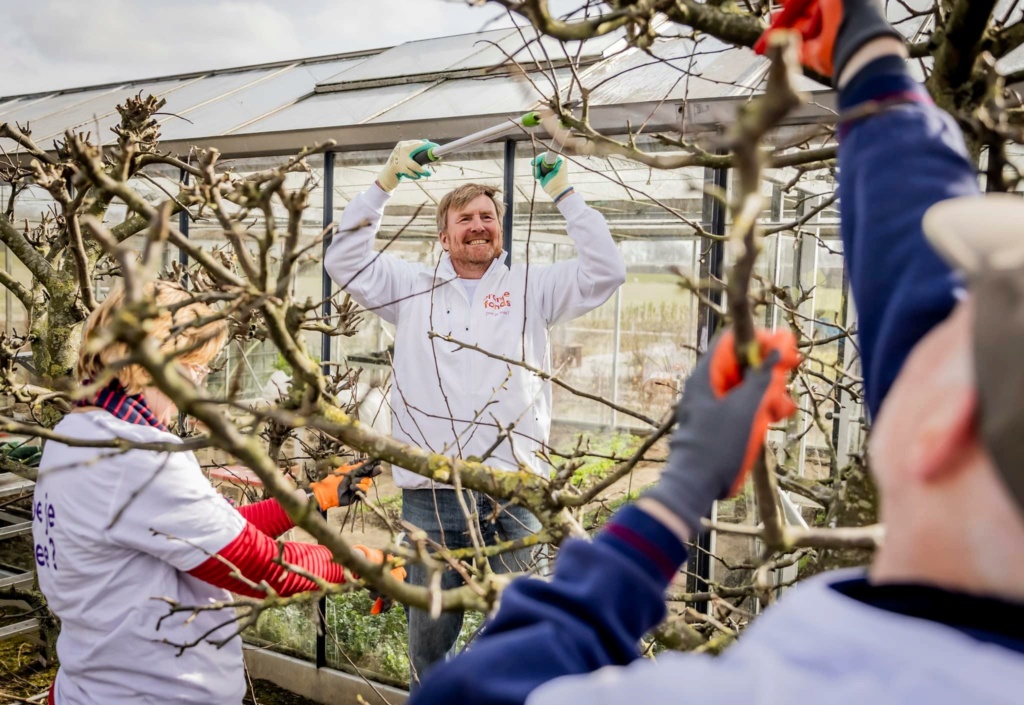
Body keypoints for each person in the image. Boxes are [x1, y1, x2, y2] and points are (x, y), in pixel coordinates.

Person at [407, 2, 1024, 703]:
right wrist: (869, 58)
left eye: (950, 328)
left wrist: (678, 491)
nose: (908, 325)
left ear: (941, 426)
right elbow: (914, 279)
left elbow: (478, 690)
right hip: (435, 483)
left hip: (509, 476)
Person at [324, 144, 626, 682]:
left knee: (517, 634)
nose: (479, 226)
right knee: (429, 642)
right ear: (444, 236)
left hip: (513, 492)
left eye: (488, 217)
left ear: (500, 231)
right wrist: (384, 180)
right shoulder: (411, 287)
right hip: (430, 496)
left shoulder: (532, 286)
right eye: (465, 219)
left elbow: (606, 271)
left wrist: (566, 196)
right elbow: (343, 260)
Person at [32, 281, 401, 705]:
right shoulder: (140, 458)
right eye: (197, 368)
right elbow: (254, 565)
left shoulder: (76, 434)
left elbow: (207, 532)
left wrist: (314, 499)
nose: (198, 388)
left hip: (94, 687)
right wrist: (362, 562)